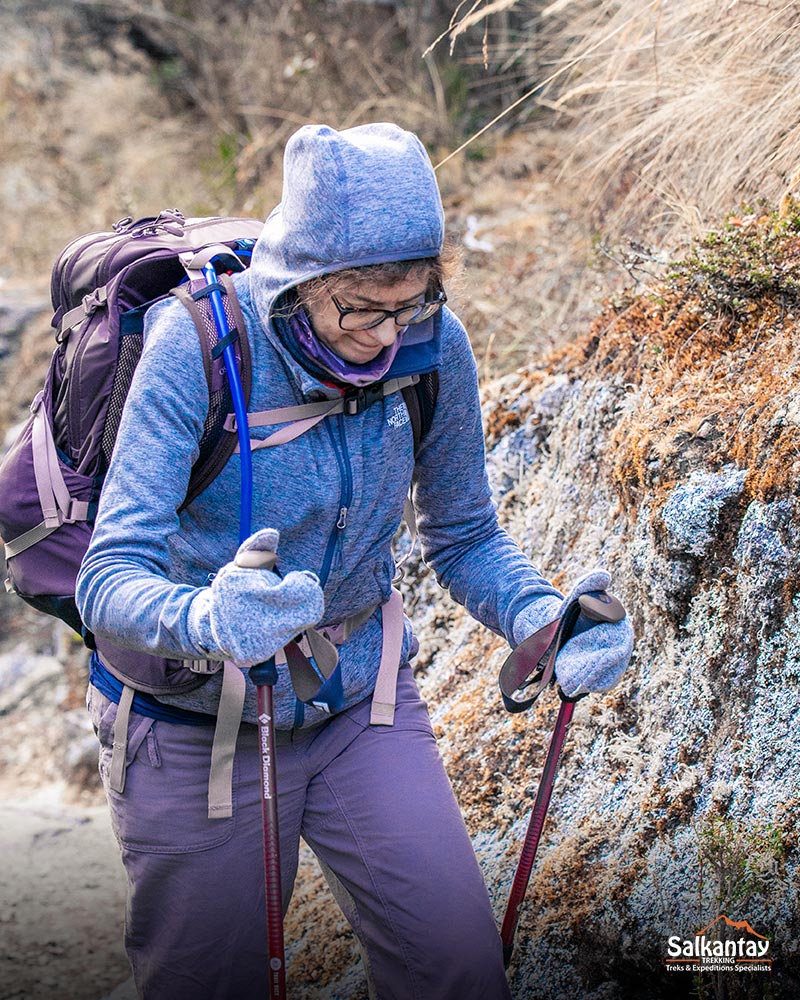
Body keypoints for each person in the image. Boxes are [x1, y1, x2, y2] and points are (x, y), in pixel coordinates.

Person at [76, 122, 633, 1000]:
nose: (385, 337)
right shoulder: (198, 351)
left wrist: (541, 620)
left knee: (456, 968)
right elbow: (107, 577)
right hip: (196, 726)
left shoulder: (433, 347)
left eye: (407, 304)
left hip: (358, 707)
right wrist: (209, 618)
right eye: (361, 309)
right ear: (298, 285)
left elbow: (466, 537)